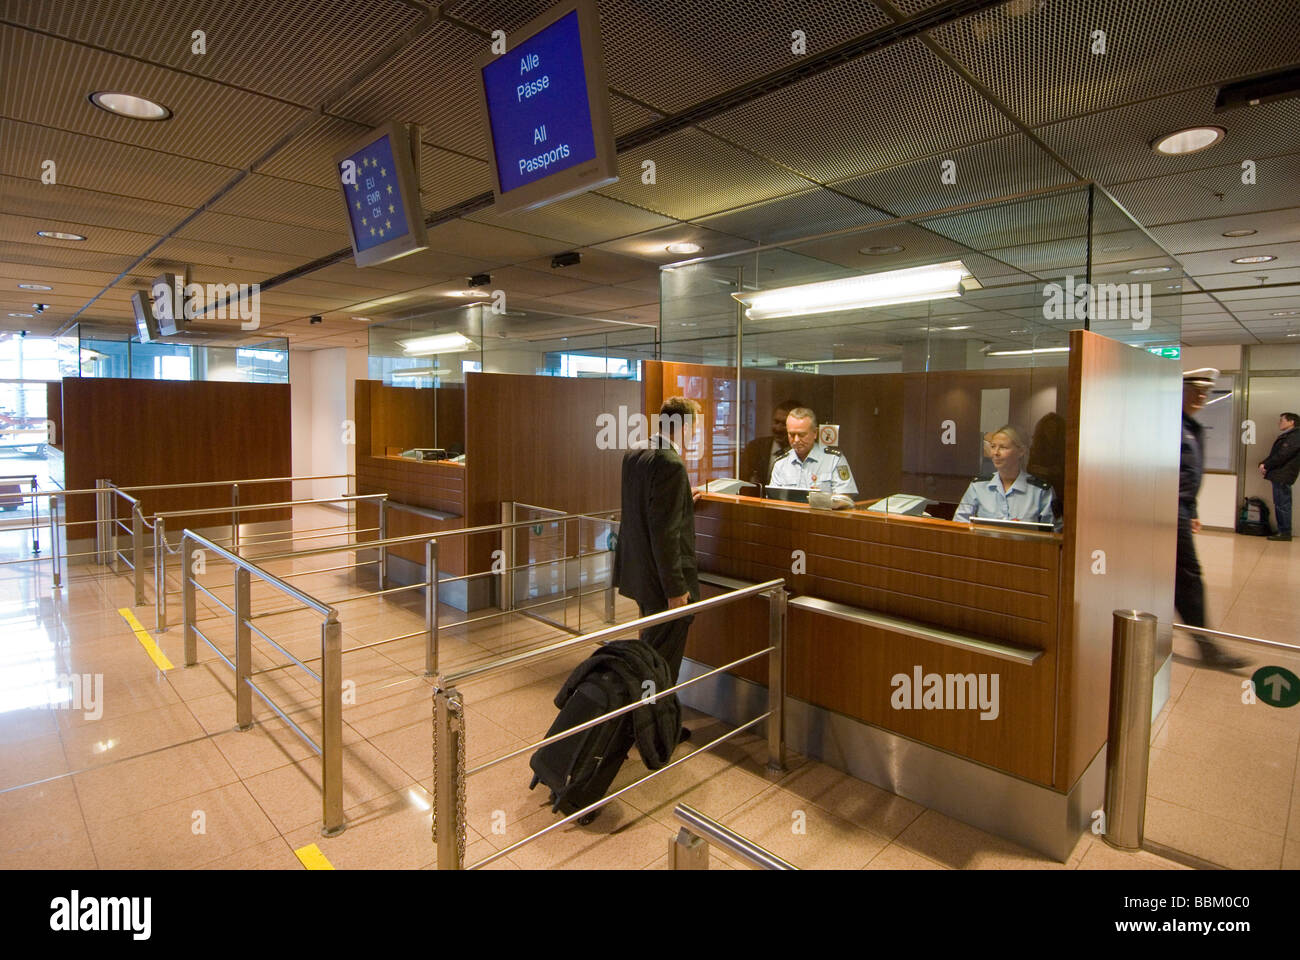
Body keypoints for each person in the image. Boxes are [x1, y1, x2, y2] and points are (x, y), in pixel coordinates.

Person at [613, 396, 701, 687]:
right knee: (662, 665)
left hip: (639, 574)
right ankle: (657, 729)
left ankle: (648, 723)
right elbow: (666, 534)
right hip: (662, 585)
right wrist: (675, 590)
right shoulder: (671, 464)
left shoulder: (636, 452)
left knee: (648, 656)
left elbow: (646, 510)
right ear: (684, 426)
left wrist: (682, 499)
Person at [1178, 368, 1247, 670]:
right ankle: (1206, 646)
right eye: (1195, 389)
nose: (1202, 395)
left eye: (1206, 390)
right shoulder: (1168, 424)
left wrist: (1192, 511)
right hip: (1164, 511)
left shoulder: (1192, 427)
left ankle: (1205, 643)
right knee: (1188, 577)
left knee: (1182, 577)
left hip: (1180, 510)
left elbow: (1190, 473)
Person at [954, 425, 1054, 525]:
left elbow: (1053, 533)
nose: (996, 453)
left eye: (1003, 447)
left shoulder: (1040, 491)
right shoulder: (978, 486)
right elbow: (960, 524)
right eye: (993, 447)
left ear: (1021, 451)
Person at [768, 406, 858, 495]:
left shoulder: (834, 460)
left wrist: (819, 502)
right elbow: (773, 500)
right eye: (791, 434)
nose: (796, 440)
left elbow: (845, 497)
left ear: (815, 433)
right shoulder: (780, 464)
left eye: (801, 435)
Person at [1258, 412, 1300, 542]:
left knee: (1283, 504)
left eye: (1282, 420)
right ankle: (1283, 530)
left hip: (1283, 474)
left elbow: (1283, 454)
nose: (1279, 423)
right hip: (1280, 474)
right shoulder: (1290, 435)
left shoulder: (1295, 436)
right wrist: (1264, 463)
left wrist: (1266, 465)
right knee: (1280, 503)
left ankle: (1285, 532)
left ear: (1291, 422)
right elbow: (1277, 454)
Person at [739, 399, 799, 485]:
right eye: (776, 422)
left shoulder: (802, 452)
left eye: (784, 424)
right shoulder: (755, 448)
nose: (778, 428)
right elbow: (741, 483)